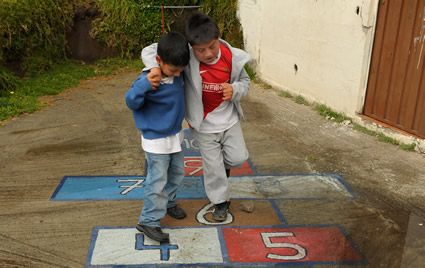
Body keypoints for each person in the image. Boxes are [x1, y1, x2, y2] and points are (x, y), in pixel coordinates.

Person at [141, 12, 251, 222]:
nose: (208, 53)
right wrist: (155, 67)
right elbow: (150, 50)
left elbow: (245, 82)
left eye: (212, 46)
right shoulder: (188, 56)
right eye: (201, 50)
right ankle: (220, 202)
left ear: (218, 39)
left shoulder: (231, 56)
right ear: (192, 47)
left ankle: (221, 171)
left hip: (230, 120)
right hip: (203, 124)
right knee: (213, 165)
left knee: (238, 158)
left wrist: (235, 89)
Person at [125, 32, 190, 242]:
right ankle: (148, 220)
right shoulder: (149, 79)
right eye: (173, 70)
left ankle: (170, 202)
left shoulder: (177, 70)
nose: (178, 74)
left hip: (174, 136)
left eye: (181, 70)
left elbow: (158, 47)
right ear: (159, 61)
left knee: (177, 173)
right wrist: (143, 85)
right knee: (157, 180)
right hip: (155, 140)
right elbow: (131, 101)